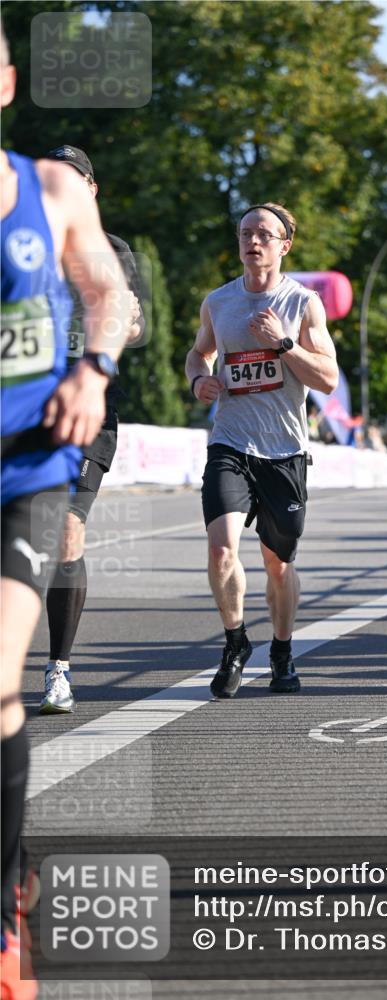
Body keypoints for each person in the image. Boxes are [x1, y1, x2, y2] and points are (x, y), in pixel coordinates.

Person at [0, 26, 131, 1000]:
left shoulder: (50, 190)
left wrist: (94, 366)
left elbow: (111, 295)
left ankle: (5, 910)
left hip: (28, 467)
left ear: (5, 84)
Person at [184, 203, 338, 698]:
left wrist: (283, 344)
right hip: (230, 441)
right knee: (222, 546)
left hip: (285, 451)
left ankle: (282, 650)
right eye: (245, 233)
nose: (253, 241)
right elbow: (198, 352)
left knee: (278, 564)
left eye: (264, 234)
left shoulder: (303, 303)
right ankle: (234, 644)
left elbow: (329, 380)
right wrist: (199, 380)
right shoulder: (219, 301)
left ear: (284, 245)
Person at [39, 145, 144, 715]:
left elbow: (133, 322)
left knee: (66, 534)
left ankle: (58, 670)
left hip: (88, 413)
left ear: (92, 191)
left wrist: (118, 326)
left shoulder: (115, 253)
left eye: (75, 180)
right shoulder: (20, 241)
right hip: (22, 410)